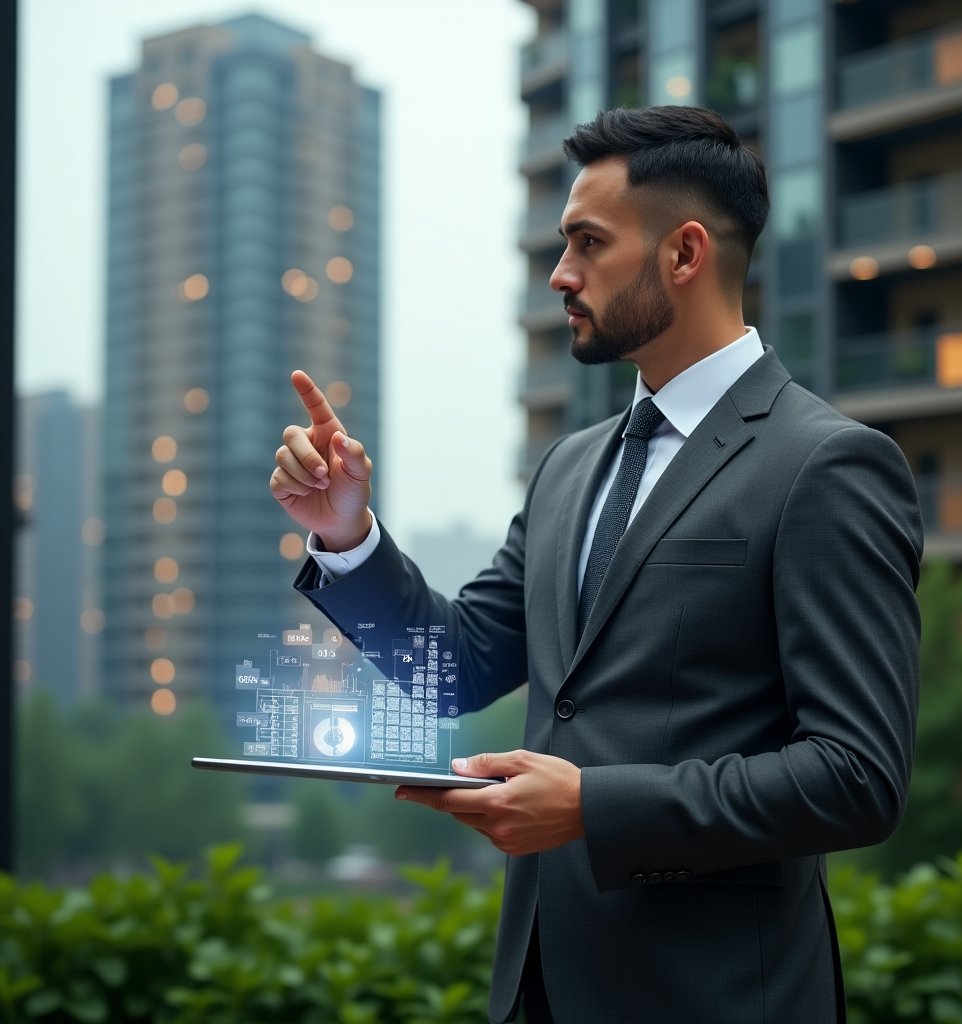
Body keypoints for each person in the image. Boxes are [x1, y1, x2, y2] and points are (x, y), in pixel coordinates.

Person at [270, 106, 922, 1024]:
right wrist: (346, 534)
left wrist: (594, 807)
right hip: (537, 992)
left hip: (720, 1001)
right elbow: (455, 668)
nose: (560, 273)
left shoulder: (826, 466)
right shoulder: (572, 465)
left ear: (684, 254)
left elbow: (857, 776)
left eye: (587, 241)